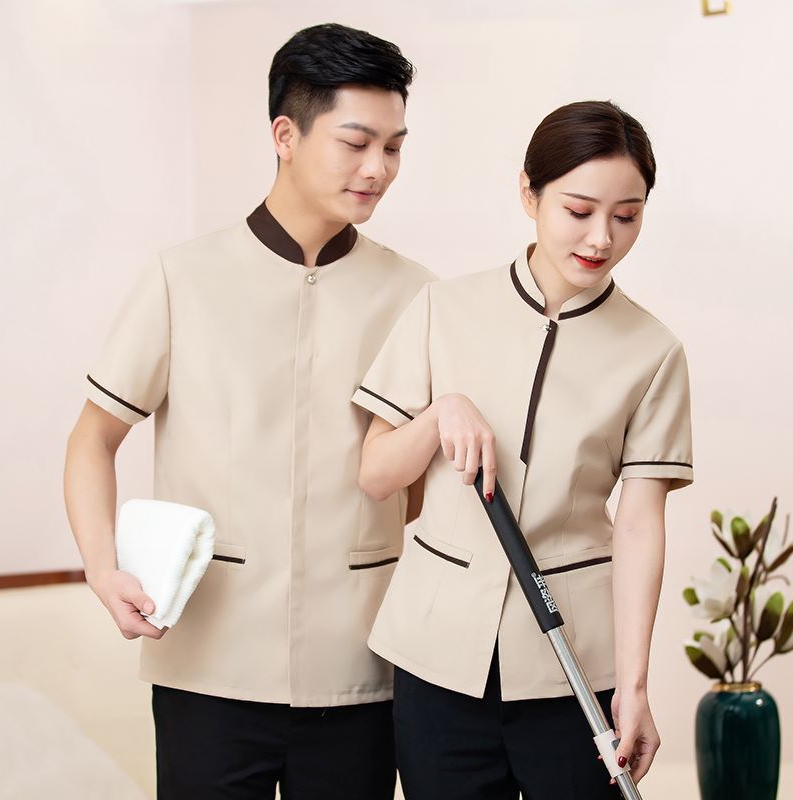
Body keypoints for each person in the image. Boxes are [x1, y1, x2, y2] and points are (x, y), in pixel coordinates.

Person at [64, 23, 433, 800]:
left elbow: (419, 488)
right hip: (207, 662)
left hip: (360, 665)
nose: (378, 169)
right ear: (285, 135)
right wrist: (103, 568)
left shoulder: (416, 296)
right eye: (356, 142)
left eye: (394, 147)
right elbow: (93, 439)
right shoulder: (183, 279)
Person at [353, 100, 693, 799]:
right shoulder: (442, 309)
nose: (601, 237)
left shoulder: (653, 352)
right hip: (437, 658)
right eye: (579, 210)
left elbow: (639, 524)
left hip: (573, 668)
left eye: (627, 216)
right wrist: (439, 415)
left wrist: (633, 688)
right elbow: (377, 476)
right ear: (529, 194)